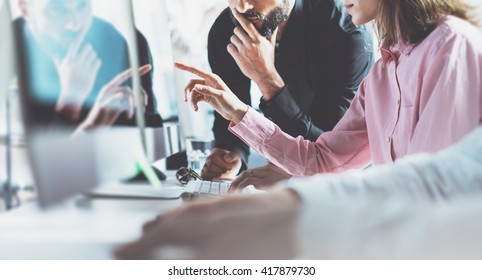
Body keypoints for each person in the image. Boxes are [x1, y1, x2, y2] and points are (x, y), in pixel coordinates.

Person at [177, 0, 482, 191]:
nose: (241, 7)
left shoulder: (451, 45)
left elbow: (433, 189)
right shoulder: (382, 74)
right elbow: (322, 160)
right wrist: (238, 113)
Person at [114, 123, 482, 259]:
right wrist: (297, 203)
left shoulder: (454, 47)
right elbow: (449, 174)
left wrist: (315, 227)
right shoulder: (384, 66)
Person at [201, 0, 374, 181]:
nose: (242, 7)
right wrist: (229, 155)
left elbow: (331, 153)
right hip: (276, 177)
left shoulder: (346, 35)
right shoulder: (226, 30)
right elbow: (229, 114)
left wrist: (267, 80)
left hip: (347, 184)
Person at [15, 0, 160, 128]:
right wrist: (70, 103)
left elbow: (149, 132)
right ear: (25, 8)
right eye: (56, 9)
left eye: (82, 4)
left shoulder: (121, 41)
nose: (74, 24)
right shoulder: (6, 51)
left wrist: (134, 111)